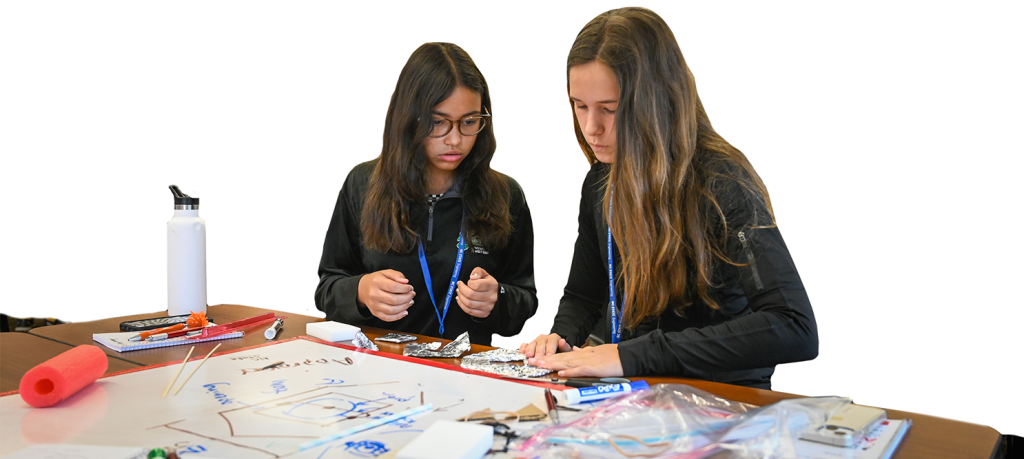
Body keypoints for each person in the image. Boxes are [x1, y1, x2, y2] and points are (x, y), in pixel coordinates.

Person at [521, 7, 817, 388]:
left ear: (653, 101)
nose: (591, 128)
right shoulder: (600, 180)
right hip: (638, 391)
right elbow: (584, 294)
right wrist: (558, 339)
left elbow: (793, 326)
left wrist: (633, 355)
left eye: (610, 109)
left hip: (720, 400)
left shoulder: (722, 182)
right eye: (579, 106)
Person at [315, 42, 537, 346]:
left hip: (466, 374)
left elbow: (523, 300)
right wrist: (361, 291)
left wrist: (497, 298)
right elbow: (327, 288)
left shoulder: (506, 194)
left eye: (469, 122)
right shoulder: (362, 183)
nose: (455, 139)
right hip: (380, 370)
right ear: (409, 118)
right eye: (438, 122)